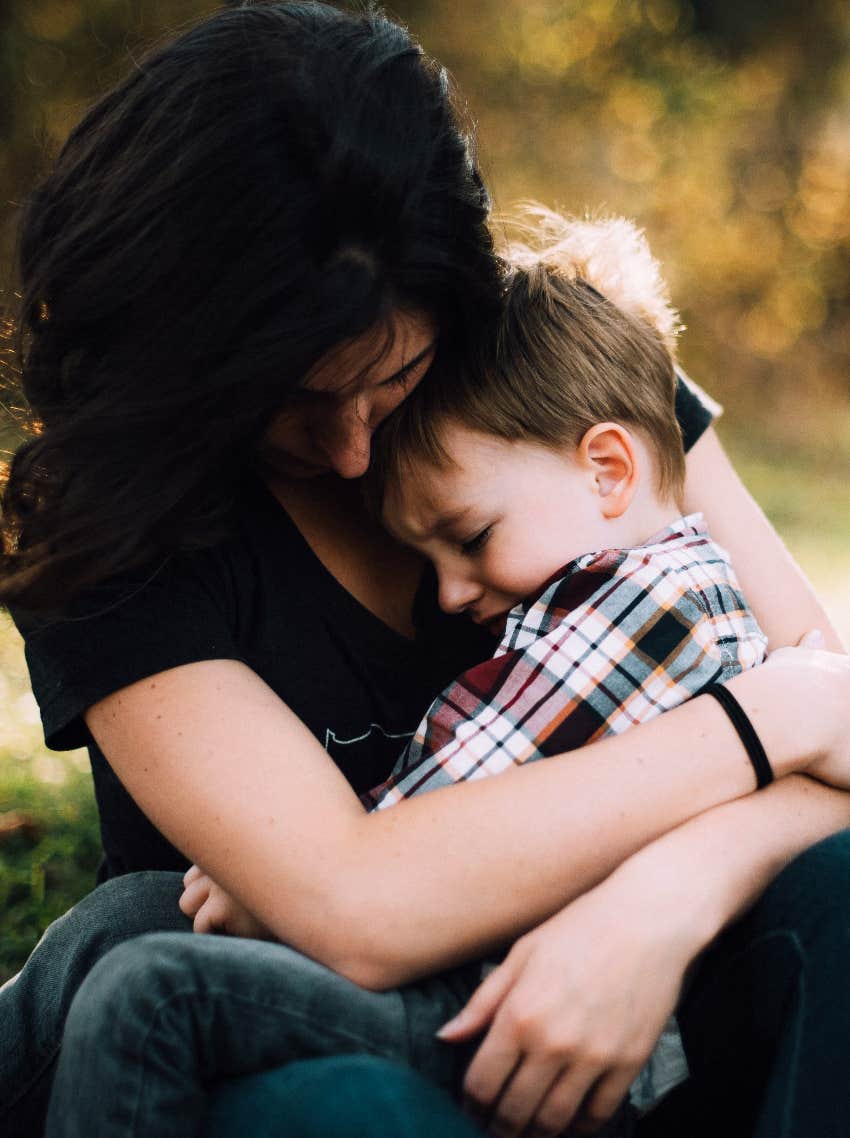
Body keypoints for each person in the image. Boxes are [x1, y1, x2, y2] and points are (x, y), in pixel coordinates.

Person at [1, 3, 850, 1137]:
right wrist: (764, 720)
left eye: (393, 377)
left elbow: (837, 731)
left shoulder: (551, 381)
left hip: (643, 1000)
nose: (354, 450)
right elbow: (355, 902)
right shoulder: (103, 515)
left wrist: (659, 903)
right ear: (187, 358)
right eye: (297, 399)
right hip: (323, 1033)